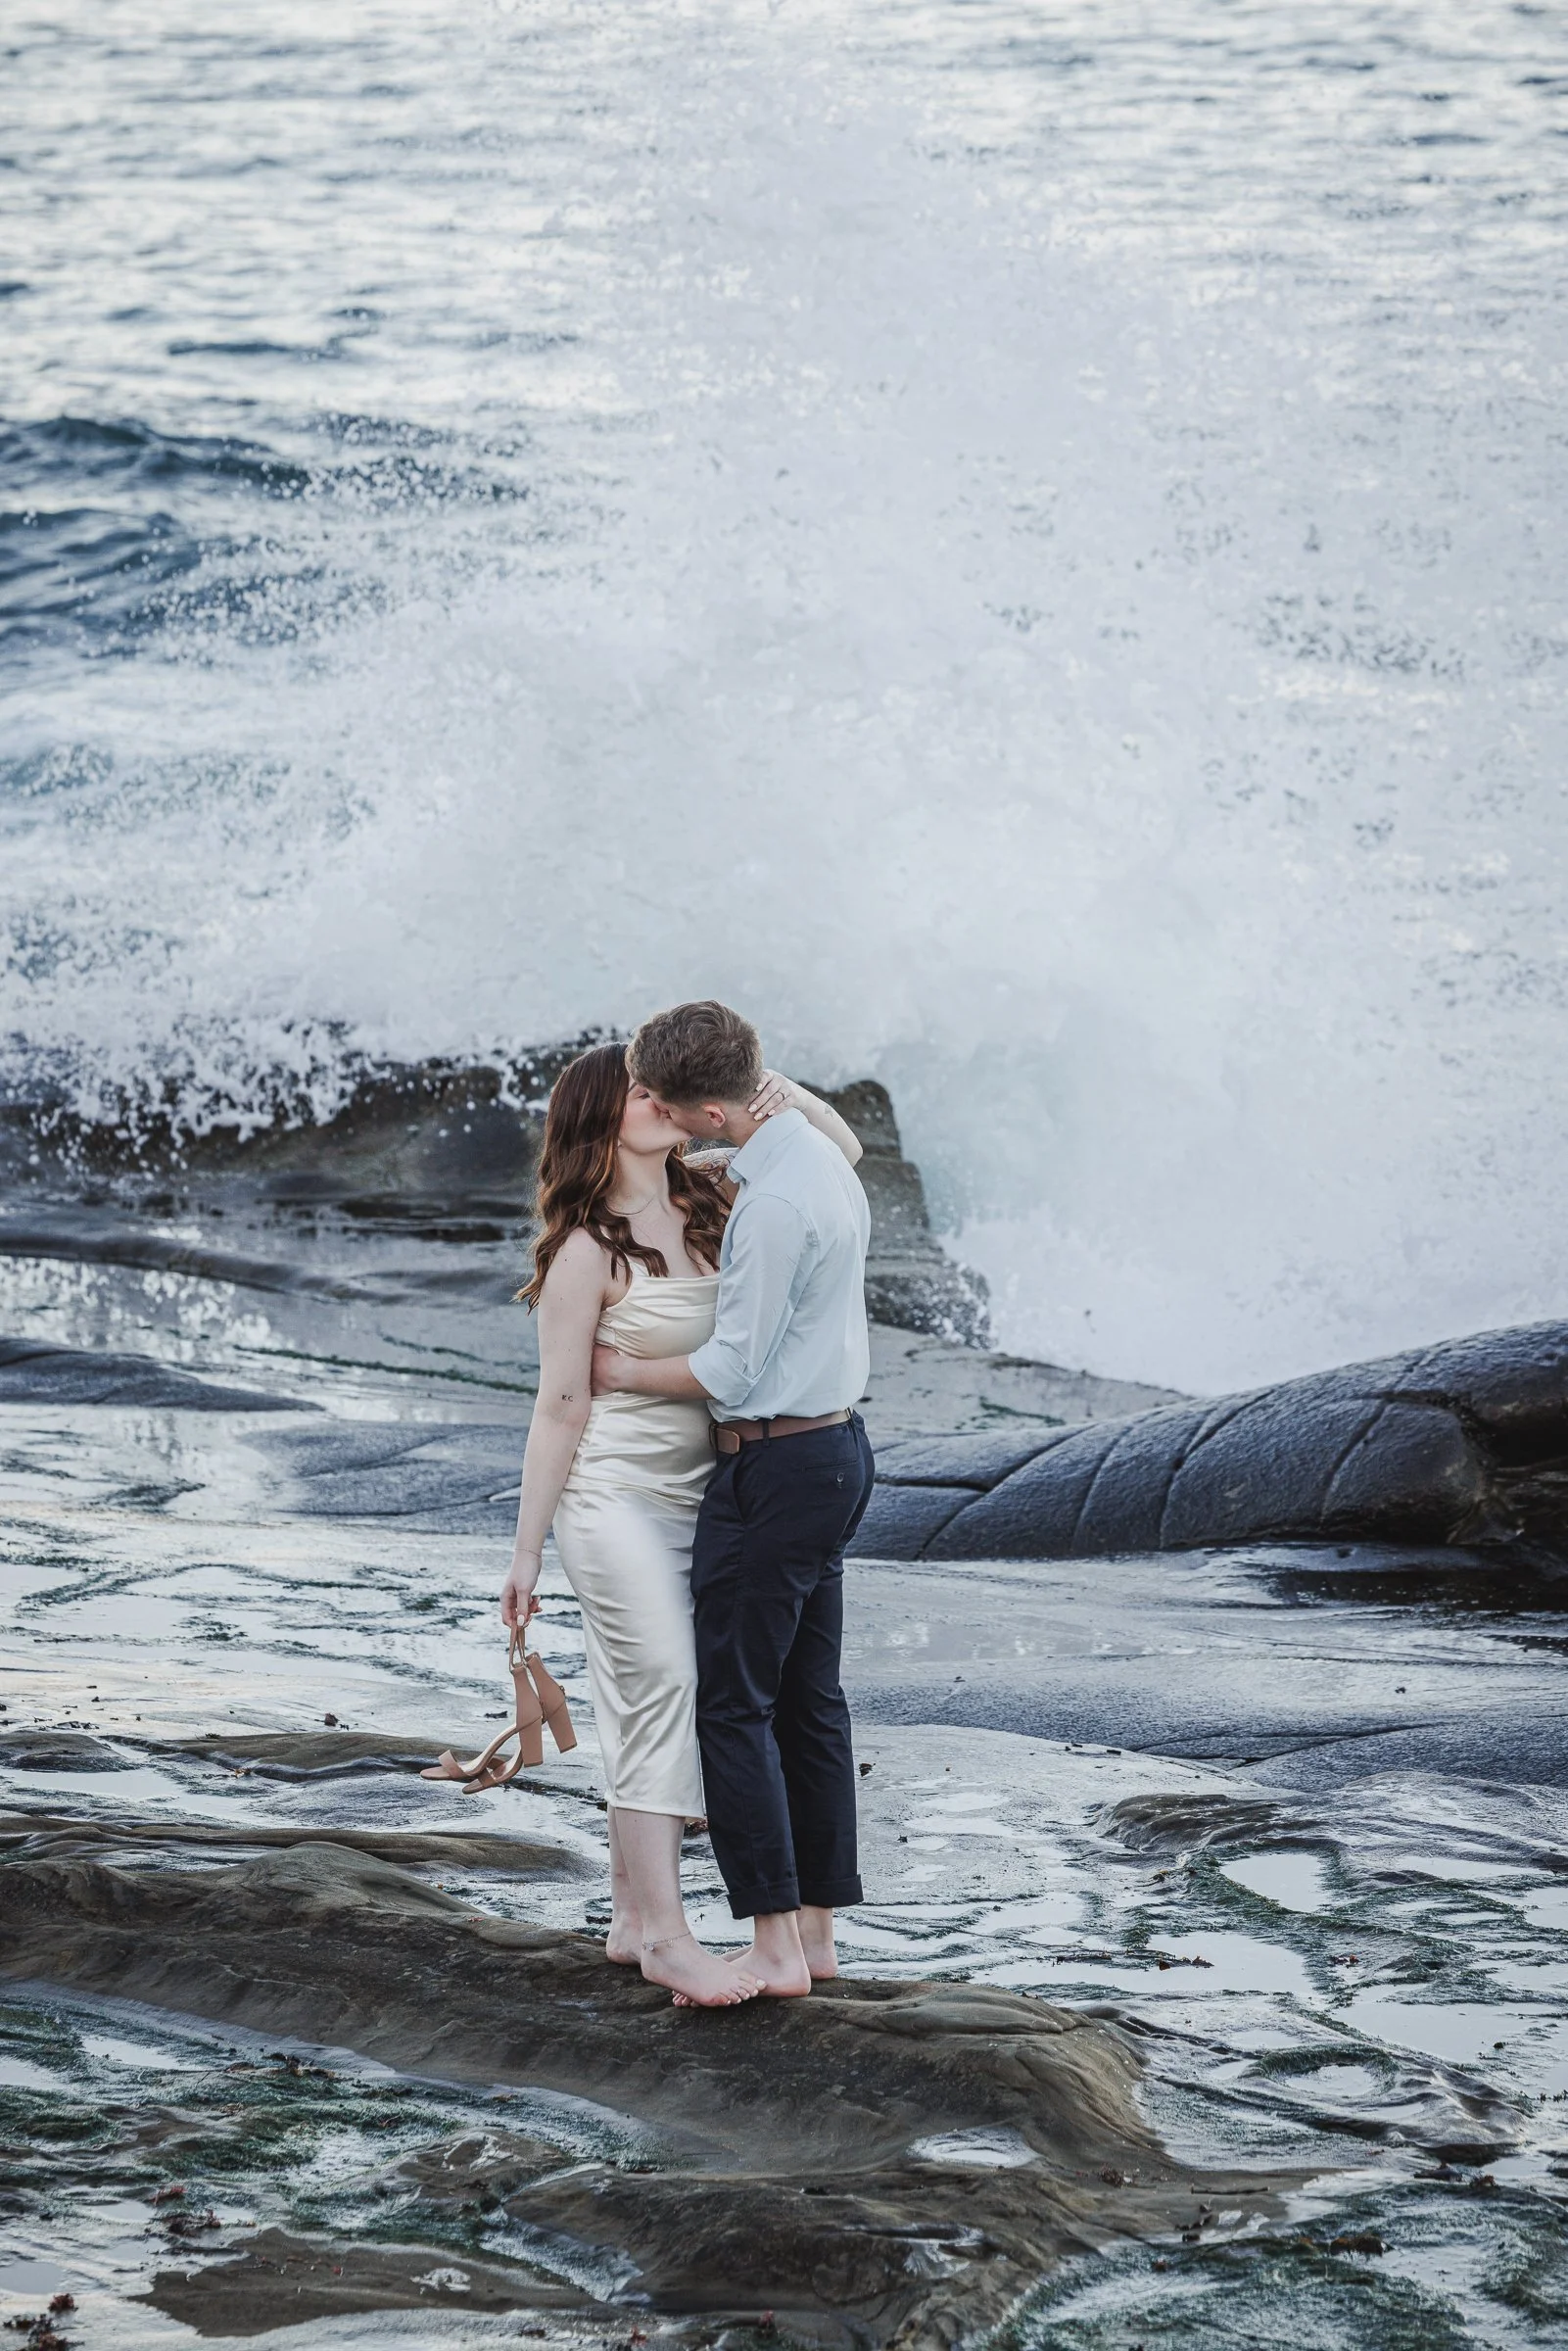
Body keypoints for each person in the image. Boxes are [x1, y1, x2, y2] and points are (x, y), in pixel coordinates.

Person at [496, 1037, 863, 2007]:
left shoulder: (711, 1192)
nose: (657, 1100)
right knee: (659, 1684)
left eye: (664, 1090)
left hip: (710, 1491)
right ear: (597, 1118)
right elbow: (559, 1405)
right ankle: (664, 1937)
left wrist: (775, 1088)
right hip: (609, 1497)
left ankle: (628, 1915)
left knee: (678, 1691)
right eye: (636, 1093)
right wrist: (527, 1551)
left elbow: (838, 1158)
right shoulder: (583, 1250)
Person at [593, 1001, 876, 1998]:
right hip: (837, 1452)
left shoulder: (771, 1206)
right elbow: (817, 1127)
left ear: (708, 1112)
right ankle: (815, 1935)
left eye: (670, 1104)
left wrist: (620, 1373)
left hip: (777, 1466)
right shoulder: (819, 1163)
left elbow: (732, 1366)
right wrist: (760, 1084)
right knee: (810, 1703)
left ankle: (768, 1949)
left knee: (732, 1705)